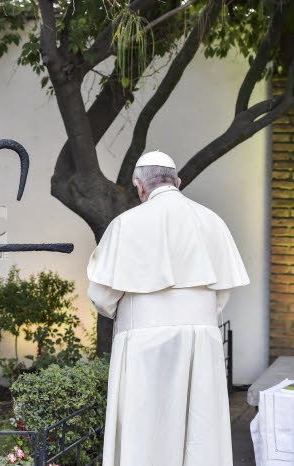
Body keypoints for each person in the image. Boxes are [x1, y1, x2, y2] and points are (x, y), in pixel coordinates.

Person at [87, 150, 250, 466]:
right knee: (200, 434)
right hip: (202, 341)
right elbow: (221, 294)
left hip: (144, 344)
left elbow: (102, 297)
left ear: (139, 186)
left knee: (146, 432)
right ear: (177, 181)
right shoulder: (212, 221)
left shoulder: (125, 224)